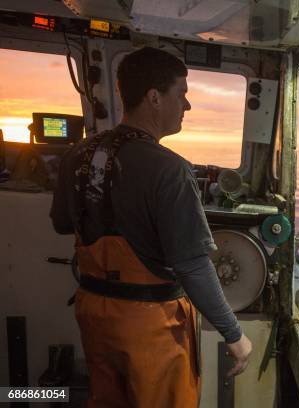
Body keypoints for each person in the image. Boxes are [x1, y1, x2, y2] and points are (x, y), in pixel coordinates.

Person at [50, 47, 252, 407]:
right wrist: (234, 334)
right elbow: (192, 264)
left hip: (95, 312)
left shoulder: (76, 155)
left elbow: (62, 224)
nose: (187, 106)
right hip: (150, 326)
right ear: (154, 98)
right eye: (182, 94)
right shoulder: (169, 169)